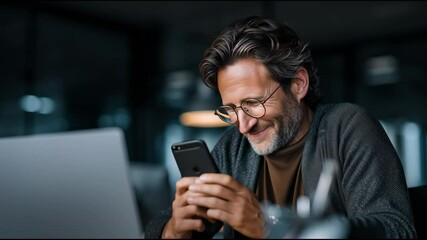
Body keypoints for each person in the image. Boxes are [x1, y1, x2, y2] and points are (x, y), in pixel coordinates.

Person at [145, 16, 416, 238]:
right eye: (231, 109)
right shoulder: (233, 147)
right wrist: (174, 231)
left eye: (253, 102)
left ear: (298, 84)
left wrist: (269, 224)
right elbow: (165, 225)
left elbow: (396, 229)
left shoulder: (345, 127)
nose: (243, 126)